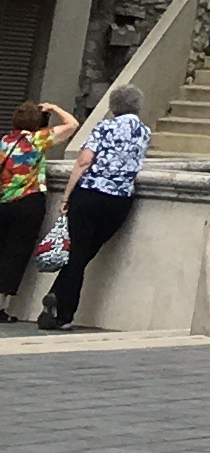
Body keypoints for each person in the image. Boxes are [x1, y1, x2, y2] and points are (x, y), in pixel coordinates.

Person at [36, 94, 146, 330]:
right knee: (87, 253)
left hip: (90, 193)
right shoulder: (144, 132)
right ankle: (56, 294)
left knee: (76, 253)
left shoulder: (104, 127)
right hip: (120, 200)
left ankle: (64, 314)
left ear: (114, 106)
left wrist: (66, 196)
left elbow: (84, 161)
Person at [0, 95, 77, 315]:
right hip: (28, 202)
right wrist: (54, 107)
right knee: (16, 253)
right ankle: (2, 305)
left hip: (3, 203)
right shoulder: (37, 140)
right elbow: (72, 125)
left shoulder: (5, 141)